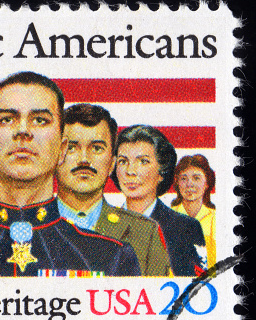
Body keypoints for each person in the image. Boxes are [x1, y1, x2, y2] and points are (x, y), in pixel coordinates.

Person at [0, 71, 141, 277]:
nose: (22, 131)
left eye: (40, 120)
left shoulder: (110, 258)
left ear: (61, 150)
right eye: (7, 119)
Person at [56, 104, 170, 276]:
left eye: (97, 148)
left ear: (112, 163)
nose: (84, 160)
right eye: (71, 148)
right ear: (53, 157)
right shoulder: (26, 225)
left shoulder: (145, 233)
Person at [112, 124, 206, 276]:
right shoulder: (102, 223)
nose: (130, 171)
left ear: (162, 172)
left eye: (143, 161)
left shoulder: (186, 228)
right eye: (123, 161)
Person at [171, 154, 216, 269]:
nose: (189, 184)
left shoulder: (215, 218)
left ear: (206, 183)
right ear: (177, 183)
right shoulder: (168, 216)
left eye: (196, 178)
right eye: (184, 179)